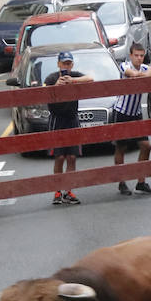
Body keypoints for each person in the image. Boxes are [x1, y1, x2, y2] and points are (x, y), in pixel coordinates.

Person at [44, 51, 93, 205]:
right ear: (58, 64)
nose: (66, 66)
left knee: (72, 157)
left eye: (69, 63)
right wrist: (56, 86)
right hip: (57, 120)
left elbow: (90, 78)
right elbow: (43, 90)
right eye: (64, 63)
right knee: (59, 157)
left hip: (72, 119)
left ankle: (68, 190)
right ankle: (57, 191)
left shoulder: (74, 75)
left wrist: (73, 81)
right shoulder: (52, 78)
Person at [111, 42, 151, 195]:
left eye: (141, 56)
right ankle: (121, 181)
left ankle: (141, 181)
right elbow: (133, 75)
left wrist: (146, 73)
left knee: (146, 146)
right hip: (122, 111)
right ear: (130, 55)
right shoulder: (124, 66)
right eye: (136, 55)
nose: (139, 58)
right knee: (121, 147)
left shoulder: (144, 67)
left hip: (136, 112)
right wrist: (145, 74)